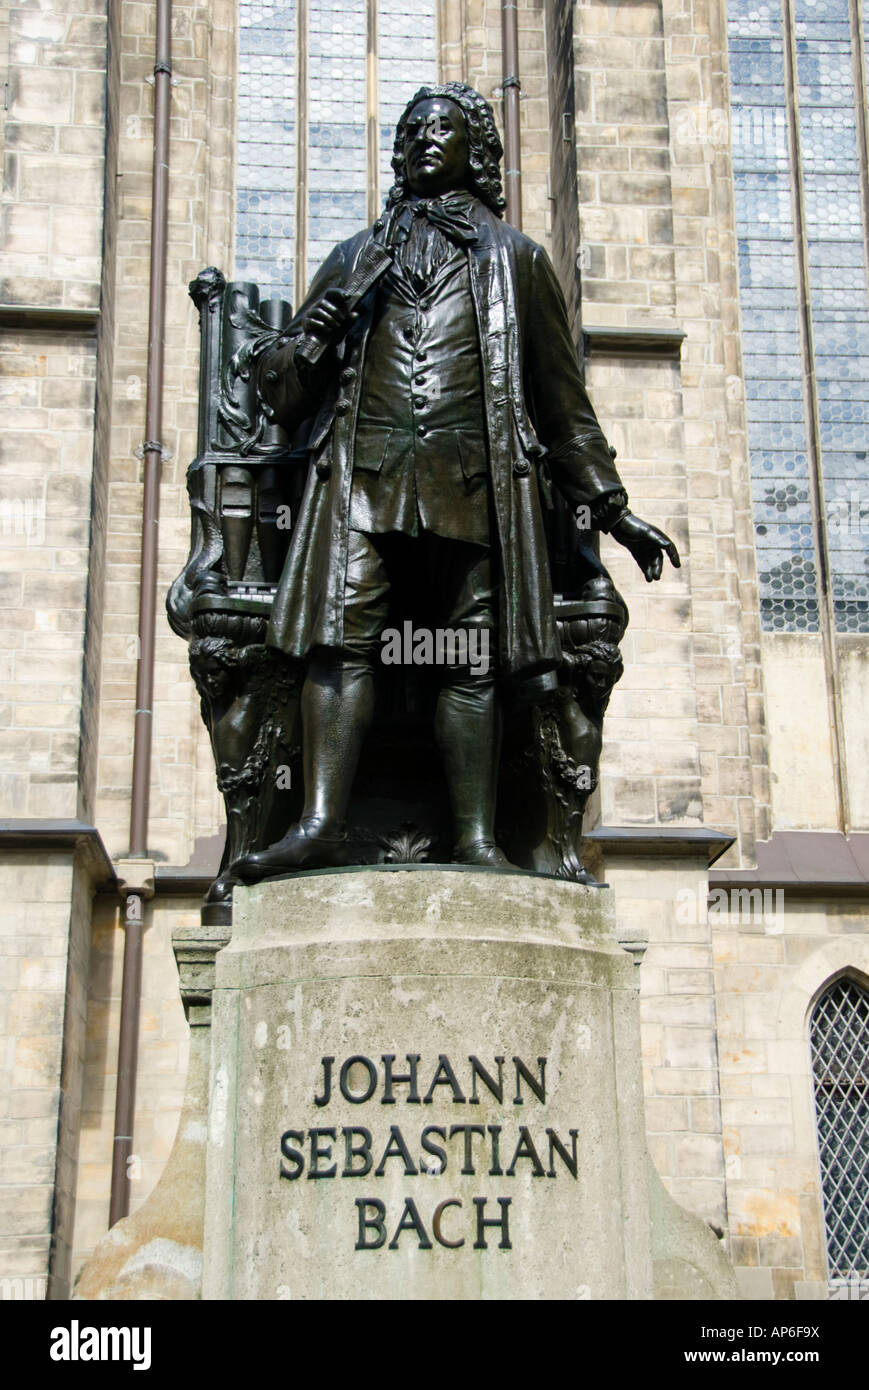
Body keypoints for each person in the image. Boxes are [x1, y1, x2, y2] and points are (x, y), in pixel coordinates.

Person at [236, 82, 678, 878]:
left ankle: (477, 840)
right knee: (339, 640)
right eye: (410, 131)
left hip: (475, 487)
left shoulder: (516, 258)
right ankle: (323, 822)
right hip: (362, 484)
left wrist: (613, 511)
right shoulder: (353, 257)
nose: (422, 141)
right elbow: (282, 391)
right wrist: (328, 320)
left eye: (440, 129)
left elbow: (559, 402)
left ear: (475, 149)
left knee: (467, 655)